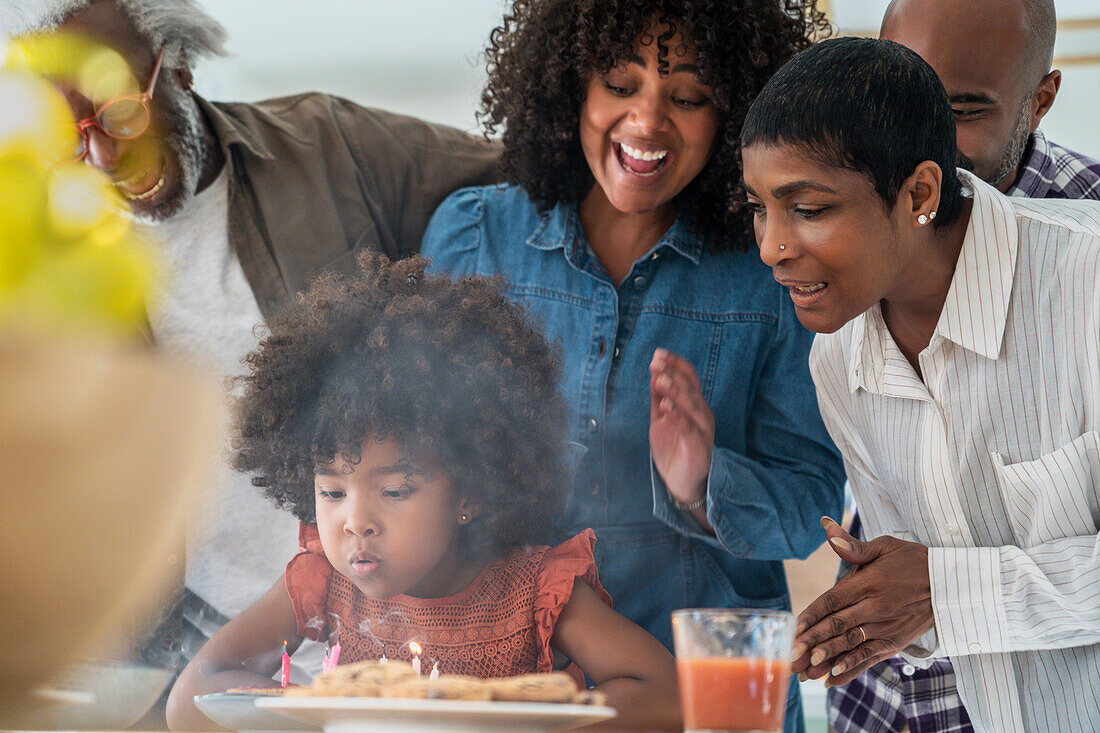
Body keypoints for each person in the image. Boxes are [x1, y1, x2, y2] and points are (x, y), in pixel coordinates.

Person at [2, 0, 500, 681]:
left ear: (176, 63)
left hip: (379, 646)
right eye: (68, 135)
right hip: (184, 658)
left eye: (120, 112)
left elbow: (528, 179)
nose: (105, 155)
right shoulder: (45, 257)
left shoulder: (330, 149)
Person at [423, 2, 845, 729]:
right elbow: (415, 465)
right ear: (568, 88)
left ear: (735, 117)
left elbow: (814, 506)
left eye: (687, 97)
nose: (648, 122)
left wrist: (704, 485)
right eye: (620, 84)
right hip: (520, 687)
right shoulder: (474, 238)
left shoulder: (771, 273)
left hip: (706, 693)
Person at [740, 36, 1100, 733]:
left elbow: (945, 593)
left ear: (920, 193)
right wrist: (871, 616)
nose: (771, 247)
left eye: (807, 209)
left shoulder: (1087, 282)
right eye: (759, 206)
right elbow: (933, 614)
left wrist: (941, 589)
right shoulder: (838, 359)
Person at [164, 254, 681, 731]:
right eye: (331, 490)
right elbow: (189, 698)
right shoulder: (326, 581)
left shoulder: (536, 592)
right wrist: (318, 715)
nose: (355, 522)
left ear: (470, 493)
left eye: (395, 490)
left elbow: (669, 695)